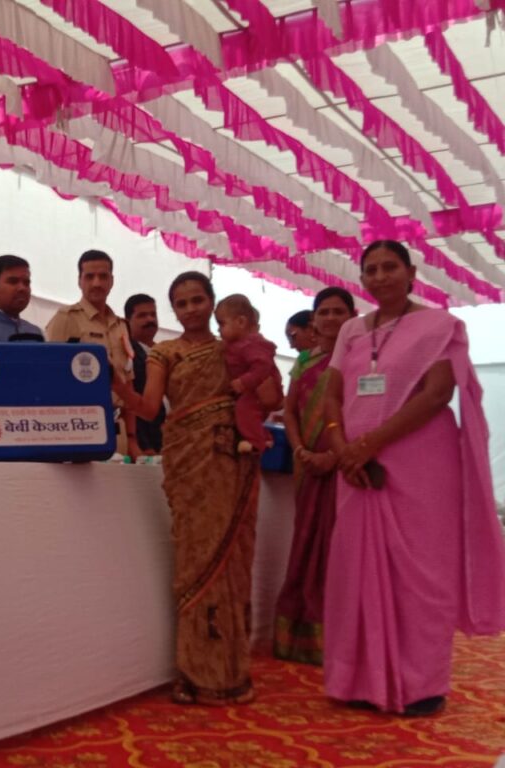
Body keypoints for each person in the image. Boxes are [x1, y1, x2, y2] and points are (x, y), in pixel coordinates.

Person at [323, 240, 505, 716]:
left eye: (390, 267)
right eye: (371, 270)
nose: (380, 276)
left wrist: (370, 443)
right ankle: (359, 680)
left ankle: (421, 684)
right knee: (353, 571)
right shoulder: (351, 331)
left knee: (423, 574)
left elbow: (436, 394)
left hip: (420, 463)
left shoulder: (438, 325)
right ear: (361, 279)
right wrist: (344, 449)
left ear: (412, 272)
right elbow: (331, 396)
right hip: (356, 469)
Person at [116, 272, 260, 705]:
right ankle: (194, 670)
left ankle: (232, 669)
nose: (191, 309)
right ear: (173, 310)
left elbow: (270, 396)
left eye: (198, 300)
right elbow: (148, 408)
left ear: (212, 302)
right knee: (193, 561)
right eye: (181, 303)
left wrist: (257, 365)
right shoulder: (166, 353)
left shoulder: (233, 348)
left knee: (232, 560)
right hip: (188, 463)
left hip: (231, 462)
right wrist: (116, 384)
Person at [273, 287, 356, 665]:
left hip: (345, 468)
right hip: (307, 467)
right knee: (305, 544)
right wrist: (300, 450)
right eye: (324, 312)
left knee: (340, 548)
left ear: (352, 316)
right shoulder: (305, 361)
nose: (331, 318)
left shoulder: (361, 360)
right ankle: (301, 637)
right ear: (314, 318)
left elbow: (363, 414)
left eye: (339, 311)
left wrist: (333, 456)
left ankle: (343, 639)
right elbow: (290, 410)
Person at [45, 250, 133, 454]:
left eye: (103, 276)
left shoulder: (121, 325)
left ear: (112, 281)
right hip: (82, 426)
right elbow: (52, 379)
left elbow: (129, 382)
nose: (96, 283)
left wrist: (132, 438)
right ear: (79, 281)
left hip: (119, 428)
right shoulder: (66, 318)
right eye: (89, 276)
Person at [214, 294, 282, 453]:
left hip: (256, 390)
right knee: (246, 412)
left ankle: (258, 442)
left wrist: (244, 381)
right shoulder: (236, 344)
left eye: (222, 323)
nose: (218, 329)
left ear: (241, 322)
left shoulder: (250, 344)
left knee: (245, 409)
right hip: (251, 390)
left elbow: (263, 366)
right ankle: (262, 437)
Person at [123, 293, 165, 454]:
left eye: (153, 314)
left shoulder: (165, 351)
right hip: (148, 443)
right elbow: (130, 403)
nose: (150, 319)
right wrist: (143, 446)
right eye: (142, 315)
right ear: (128, 321)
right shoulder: (127, 354)